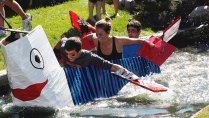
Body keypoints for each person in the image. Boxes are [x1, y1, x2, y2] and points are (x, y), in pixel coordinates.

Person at [61, 36, 140, 80]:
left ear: (79, 51)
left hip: (83, 78)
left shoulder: (89, 57)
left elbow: (111, 66)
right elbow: (62, 39)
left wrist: (130, 76)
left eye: (72, 55)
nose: (69, 57)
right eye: (67, 54)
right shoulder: (64, 47)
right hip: (67, 73)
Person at [84, 17, 153, 61]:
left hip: (118, 74)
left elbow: (138, 41)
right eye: (97, 34)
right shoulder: (96, 39)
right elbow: (90, 37)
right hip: (104, 73)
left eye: (101, 34)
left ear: (108, 32)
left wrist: (150, 44)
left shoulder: (119, 41)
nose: (98, 37)